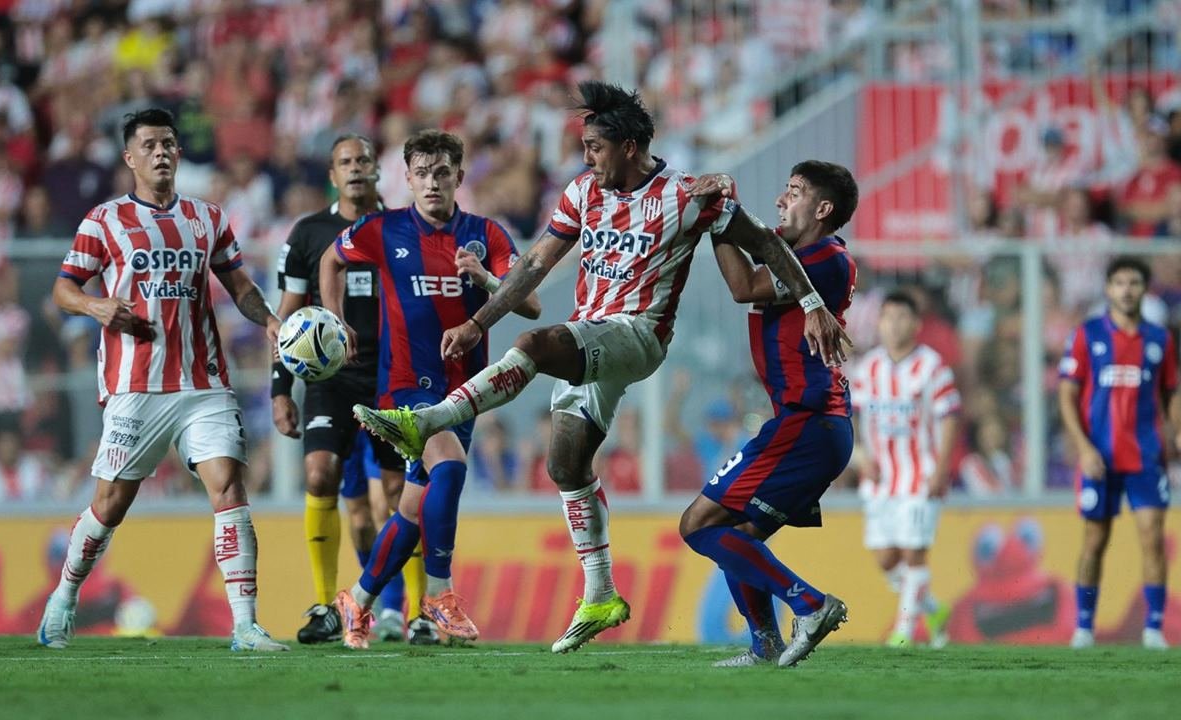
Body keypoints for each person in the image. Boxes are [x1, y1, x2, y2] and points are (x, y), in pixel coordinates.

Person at [355, 82, 851, 653]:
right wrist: (478, 323)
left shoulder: (687, 196)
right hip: (592, 332)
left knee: (539, 344)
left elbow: (766, 246)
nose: (588, 157)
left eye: (596, 146)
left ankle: (430, 420)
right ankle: (601, 594)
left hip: (638, 334)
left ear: (632, 146)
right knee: (565, 464)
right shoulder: (582, 192)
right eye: (585, 146)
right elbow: (536, 264)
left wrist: (812, 302)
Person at [38, 108, 287, 651]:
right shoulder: (103, 221)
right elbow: (63, 288)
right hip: (136, 385)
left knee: (229, 487)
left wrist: (268, 320)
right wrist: (95, 306)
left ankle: (245, 624)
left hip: (203, 382)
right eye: (149, 144)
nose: (161, 152)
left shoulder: (208, 218)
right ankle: (64, 598)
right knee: (110, 504)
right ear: (130, 158)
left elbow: (239, 284)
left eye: (168, 143)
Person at [321, 129, 540, 649]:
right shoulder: (383, 229)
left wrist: (486, 279)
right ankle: (439, 596)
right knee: (451, 467)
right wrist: (335, 321)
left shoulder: (487, 234)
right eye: (421, 173)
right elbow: (331, 259)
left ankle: (356, 599)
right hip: (404, 388)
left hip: (466, 392)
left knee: (413, 511)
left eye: (442, 172)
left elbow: (531, 306)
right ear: (408, 179)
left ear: (459, 177)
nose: (432, 183)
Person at [677, 161, 857, 668]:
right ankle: (765, 645)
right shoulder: (801, 253)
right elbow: (752, 246)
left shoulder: (826, 258)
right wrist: (721, 213)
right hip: (810, 424)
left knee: (698, 524)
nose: (782, 200)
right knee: (739, 534)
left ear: (822, 209)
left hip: (808, 419)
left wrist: (720, 216)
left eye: (794, 191)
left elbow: (743, 286)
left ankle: (810, 603)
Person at [271, 133, 420, 644]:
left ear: (378, 170)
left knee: (399, 493)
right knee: (320, 475)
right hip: (331, 381)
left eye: (363, 160)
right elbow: (288, 319)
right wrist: (279, 389)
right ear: (332, 176)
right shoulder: (309, 233)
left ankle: (416, 611)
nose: (355, 168)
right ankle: (325, 602)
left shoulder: (404, 227)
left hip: (392, 376)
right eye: (344, 162)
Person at [1059, 256, 1181, 650]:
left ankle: (1153, 629)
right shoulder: (1088, 334)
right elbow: (1067, 393)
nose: (1127, 290)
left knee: (1151, 536)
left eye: (1134, 283)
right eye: (1119, 283)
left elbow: (1172, 391)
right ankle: (1083, 628)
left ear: (1145, 290)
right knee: (1095, 540)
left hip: (1145, 456)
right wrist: (1083, 447)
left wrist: (1175, 431)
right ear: (1108, 289)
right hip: (1100, 455)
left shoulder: (1160, 339)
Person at [851, 290, 960, 648]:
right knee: (886, 558)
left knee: (914, 552)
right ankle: (933, 608)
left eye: (902, 317)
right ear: (879, 323)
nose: (894, 324)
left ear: (916, 324)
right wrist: (861, 455)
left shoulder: (932, 366)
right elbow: (854, 416)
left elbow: (948, 418)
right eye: (888, 317)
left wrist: (941, 468)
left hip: (920, 473)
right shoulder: (868, 368)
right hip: (881, 477)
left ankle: (905, 631)